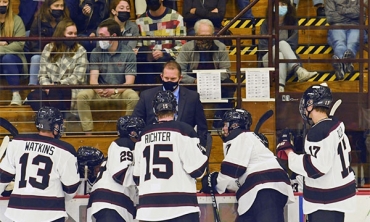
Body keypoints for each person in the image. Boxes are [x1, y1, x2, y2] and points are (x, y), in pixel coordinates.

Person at [276, 83, 356, 222]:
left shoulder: (318, 132)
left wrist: (290, 153)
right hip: (339, 198)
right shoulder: (336, 125)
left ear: (310, 104)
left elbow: (317, 168)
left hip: (325, 203)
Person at [201, 108, 294, 222]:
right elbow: (234, 181)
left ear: (234, 125)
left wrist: (213, 181)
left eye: (226, 124)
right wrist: (215, 183)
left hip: (267, 190)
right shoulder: (245, 139)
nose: (223, 128)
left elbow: (231, 172)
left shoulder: (243, 137)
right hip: (258, 193)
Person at [133, 90, 208, 222]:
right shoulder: (184, 131)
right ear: (176, 108)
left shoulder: (143, 136)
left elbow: (137, 176)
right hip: (181, 209)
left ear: (155, 110)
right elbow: (198, 171)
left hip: (148, 211)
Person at [0, 106, 81, 222]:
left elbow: (3, 178)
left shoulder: (17, 143)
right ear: (56, 126)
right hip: (50, 213)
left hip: (19, 212)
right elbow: (71, 189)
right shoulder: (65, 150)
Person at [77, 19, 139, 134]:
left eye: (102, 35)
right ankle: (88, 133)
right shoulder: (96, 52)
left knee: (133, 97)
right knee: (82, 96)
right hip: (100, 91)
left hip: (120, 91)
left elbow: (129, 82)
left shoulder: (128, 53)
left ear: (113, 36)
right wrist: (98, 89)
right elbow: (93, 80)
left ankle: (126, 131)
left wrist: (114, 90)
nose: (99, 38)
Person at [132, 60, 208, 147]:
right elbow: (136, 121)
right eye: (166, 78)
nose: (169, 81)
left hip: (184, 147)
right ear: (161, 76)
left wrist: (200, 148)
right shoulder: (147, 96)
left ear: (180, 78)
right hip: (154, 145)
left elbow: (202, 128)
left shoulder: (192, 97)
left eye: (173, 79)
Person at [176, 19, 235, 129]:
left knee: (229, 84)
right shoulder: (187, 48)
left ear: (213, 34)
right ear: (196, 34)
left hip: (215, 81)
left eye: (208, 35)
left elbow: (226, 71)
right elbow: (180, 71)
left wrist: (211, 80)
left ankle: (222, 120)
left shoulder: (220, 47)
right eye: (202, 35)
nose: (205, 39)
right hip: (194, 81)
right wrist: (194, 81)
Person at [87, 116, 145, 222]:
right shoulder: (124, 144)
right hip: (111, 204)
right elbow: (121, 173)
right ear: (132, 133)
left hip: (109, 204)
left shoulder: (124, 147)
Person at [26, 19, 88, 117]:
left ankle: (55, 123)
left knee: (56, 92)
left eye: (75, 33)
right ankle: (56, 120)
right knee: (33, 96)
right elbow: (42, 75)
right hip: (49, 89)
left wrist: (57, 85)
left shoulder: (81, 50)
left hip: (70, 89)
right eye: (70, 33)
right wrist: (48, 86)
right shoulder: (48, 48)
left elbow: (78, 77)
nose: (73, 36)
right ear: (61, 34)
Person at [259, 0, 318, 92]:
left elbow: (293, 44)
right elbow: (263, 46)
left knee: (281, 56)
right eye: (277, 4)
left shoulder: (292, 22)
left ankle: (280, 87)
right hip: (268, 58)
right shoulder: (266, 24)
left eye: (283, 4)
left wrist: (278, 46)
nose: (280, 6)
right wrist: (279, 46)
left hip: (286, 61)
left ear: (288, 6)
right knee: (282, 44)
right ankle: (298, 69)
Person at [135, 0, 186, 84]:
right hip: (149, 62)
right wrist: (148, 53)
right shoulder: (140, 21)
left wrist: (164, 52)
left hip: (169, 59)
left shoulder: (176, 17)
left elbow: (182, 45)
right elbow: (138, 46)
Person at [26, 0, 70, 86]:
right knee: (35, 58)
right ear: (49, 7)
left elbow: (68, 41)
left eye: (62, 6)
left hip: (60, 52)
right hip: (41, 52)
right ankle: (33, 87)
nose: (60, 8)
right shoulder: (39, 20)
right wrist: (45, 53)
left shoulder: (66, 20)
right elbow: (33, 42)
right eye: (56, 6)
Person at [0, 0, 27, 106]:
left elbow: (19, 44)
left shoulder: (17, 20)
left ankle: (16, 95)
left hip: (15, 61)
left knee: (8, 58)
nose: (1, 4)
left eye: (4, 1)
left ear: (9, 4)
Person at [326, 0, 360, 80]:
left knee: (352, 43)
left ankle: (340, 63)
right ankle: (347, 63)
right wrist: (350, 15)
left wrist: (341, 10)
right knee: (339, 43)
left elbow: (359, 13)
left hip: (356, 26)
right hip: (337, 26)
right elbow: (331, 17)